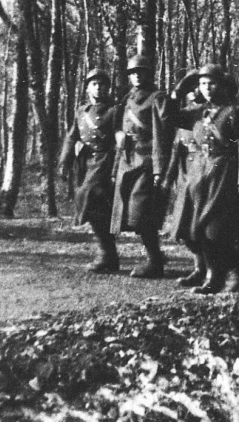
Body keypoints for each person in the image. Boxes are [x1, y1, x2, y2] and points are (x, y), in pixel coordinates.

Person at [174, 63, 239, 294]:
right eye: (202, 84)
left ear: (223, 85)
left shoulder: (235, 112)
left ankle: (216, 277)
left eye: (212, 83)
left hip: (224, 173)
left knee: (214, 228)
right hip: (199, 173)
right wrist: (179, 91)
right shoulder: (197, 112)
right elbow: (169, 116)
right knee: (192, 226)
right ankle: (207, 270)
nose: (207, 88)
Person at [110, 54, 175, 279]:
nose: (137, 76)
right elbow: (119, 127)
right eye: (133, 73)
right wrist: (119, 138)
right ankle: (154, 258)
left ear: (149, 74)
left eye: (141, 72)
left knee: (141, 212)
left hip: (147, 161)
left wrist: (159, 168)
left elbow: (161, 136)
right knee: (131, 214)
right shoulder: (127, 99)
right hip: (128, 161)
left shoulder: (158, 98)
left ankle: (155, 261)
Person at [58, 68, 120, 272]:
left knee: (90, 196)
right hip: (86, 163)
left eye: (102, 84)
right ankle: (108, 255)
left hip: (106, 161)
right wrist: (64, 163)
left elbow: (120, 137)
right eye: (94, 84)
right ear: (87, 88)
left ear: (108, 88)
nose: (99, 87)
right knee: (97, 207)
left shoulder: (115, 110)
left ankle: (106, 254)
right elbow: (71, 137)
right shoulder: (82, 111)